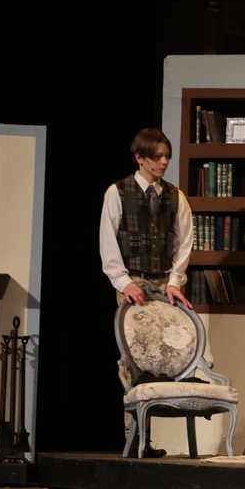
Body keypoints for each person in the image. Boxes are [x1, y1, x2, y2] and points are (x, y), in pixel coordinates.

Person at [100, 128, 194, 458]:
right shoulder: (118, 191)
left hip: (164, 284)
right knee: (134, 361)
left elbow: (184, 241)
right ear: (140, 157)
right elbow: (108, 241)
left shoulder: (175, 196)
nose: (164, 162)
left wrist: (174, 281)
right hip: (133, 284)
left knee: (166, 357)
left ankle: (147, 438)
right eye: (157, 156)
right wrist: (123, 281)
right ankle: (136, 439)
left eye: (167, 156)